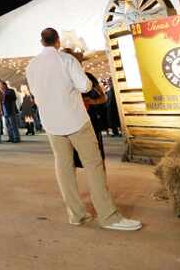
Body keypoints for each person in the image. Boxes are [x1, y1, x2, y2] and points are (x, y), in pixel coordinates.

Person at [25, 27, 142, 231]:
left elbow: (35, 92)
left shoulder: (32, 65)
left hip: (51, 124)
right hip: (75, 121)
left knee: (64, 169)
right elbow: (85, 86)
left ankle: (76, 214)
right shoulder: (66, 60)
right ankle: (109, 216)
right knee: (93, 166)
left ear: (41, 42)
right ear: (57, 41)